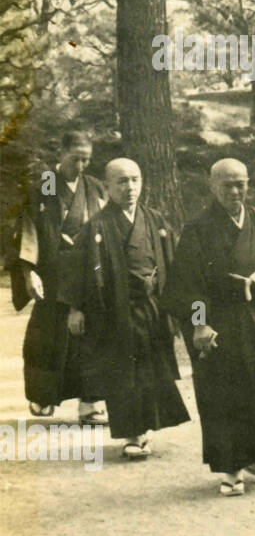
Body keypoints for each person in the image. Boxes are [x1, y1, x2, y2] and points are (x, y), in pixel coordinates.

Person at [162, 159, 255, 497]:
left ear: (248, 183)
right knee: (225, 395)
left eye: (240, 184)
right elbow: (186, 284)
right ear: (212, 186)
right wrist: (200, 323)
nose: (235, 191)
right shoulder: (198, 228)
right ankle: (231, 468)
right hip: (221, 324)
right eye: (227, 185)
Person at [61, 158, 190, 459]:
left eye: (135, 179)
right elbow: (78, 270)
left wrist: (178, 305)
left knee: (150, 369)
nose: (130, 187)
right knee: (123, 373)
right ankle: (133, 434)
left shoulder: (155, 220)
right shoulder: (96, 225)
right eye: (121, 181)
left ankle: (145, 428)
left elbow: (173, 262)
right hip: (115, 310)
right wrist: (75, 309)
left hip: (152, 307)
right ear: (107, 186)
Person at [5, 131, 108, 422]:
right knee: (46, 337)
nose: (81, 166)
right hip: (52, 273)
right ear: (61, 154)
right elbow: (31, 228)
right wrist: (29, 274)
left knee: (89, 336)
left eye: (86, 159)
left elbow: (104, 228)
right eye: (75, 159)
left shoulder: (95, 187)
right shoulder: (48, 184)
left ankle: (90, 403)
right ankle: (42, 395)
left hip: (86, 273)